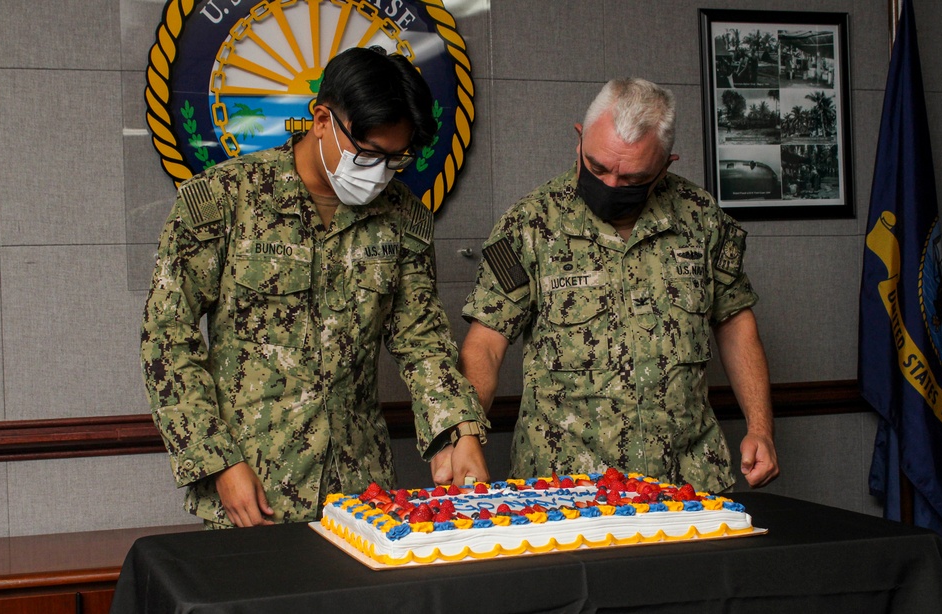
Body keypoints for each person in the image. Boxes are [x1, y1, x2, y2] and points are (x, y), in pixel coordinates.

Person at [140, 47, 489, 529]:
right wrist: (217, 461)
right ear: (322, 119)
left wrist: (458, 429)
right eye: (367, 154)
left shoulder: (402, 217)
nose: (379, 174)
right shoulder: (225, 200)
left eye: (395, 160)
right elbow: (167, 337)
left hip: (361, 491)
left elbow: (422, 342)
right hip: (253, 485)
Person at [458, 78, 779, 493]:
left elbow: (734, 323)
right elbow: (485, 343)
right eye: (598, 167)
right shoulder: (530, 226)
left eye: (631, 179)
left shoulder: (700, 219)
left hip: (688, 483)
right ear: (579, 138)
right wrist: (465, 433)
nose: (610, 186)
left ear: (666, 165)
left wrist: (761, 428)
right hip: (566, 488)